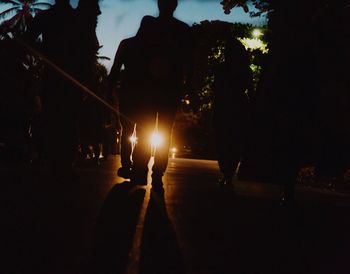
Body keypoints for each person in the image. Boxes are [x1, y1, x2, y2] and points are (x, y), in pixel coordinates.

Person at [25, 0, 80, 176]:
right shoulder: (75, 17)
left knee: (54, 117)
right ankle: (64, 162)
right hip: (70, 76)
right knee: (68, 119)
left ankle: (55, 161)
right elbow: (89, 46)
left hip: (53, 74)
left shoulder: (47, 17)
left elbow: (29, 39)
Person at [212, 38, 253, 188]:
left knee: (224, 142)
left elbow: (216, 89)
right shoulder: (245, 70)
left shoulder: (222, 69)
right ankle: (229, 174)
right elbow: (251, 89)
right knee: (234, 142)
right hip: (239, 108)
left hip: (225, 108)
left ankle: (226, 174)